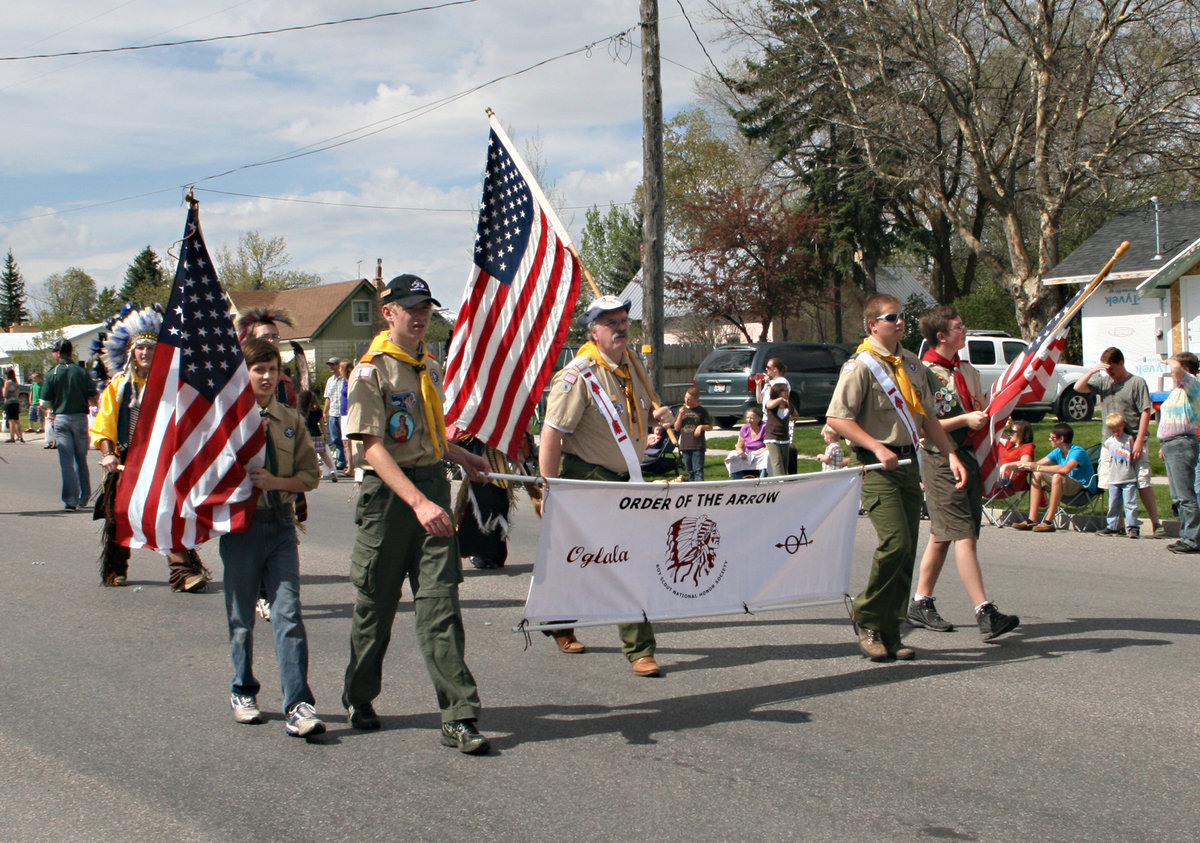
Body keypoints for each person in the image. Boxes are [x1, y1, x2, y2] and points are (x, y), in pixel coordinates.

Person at [341, 273, 493, 754]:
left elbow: (422, 433)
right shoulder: (372, 370)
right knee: (375, 609)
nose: (421, 315)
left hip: (428, 486)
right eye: (410, 307)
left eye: (426, 307)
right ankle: (359, 695)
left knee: (441, 607)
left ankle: (459, 714)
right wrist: (419, 502)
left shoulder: (425, 363)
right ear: (388, 312)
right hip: (391, 501)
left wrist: (458, 454)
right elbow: (372, 449)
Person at [825, 294, 967, 662]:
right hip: (878, 468)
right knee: (895, 545)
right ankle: (868, 616)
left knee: (906, 554)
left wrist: (951, 455)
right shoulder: (860, 366)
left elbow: (928, 418)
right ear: (873, 324)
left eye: (903, 316)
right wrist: (877, 446)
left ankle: (890, 630)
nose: (900, 322)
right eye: (892, 317)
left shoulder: (912, 365)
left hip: (910, 465)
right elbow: (837, 419)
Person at [538, 294, 675, 675]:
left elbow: (634, 420)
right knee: (622, 560)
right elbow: (552, 434)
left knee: (602, 559)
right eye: (610, 323)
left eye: (624, 322)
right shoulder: (579, 375)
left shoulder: (631, 366)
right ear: (593, 332)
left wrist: (658, 418)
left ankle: (557, 619)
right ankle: (639, 649)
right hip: (588, 478)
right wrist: (549, 489)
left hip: (627, 478)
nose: (620, 329)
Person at [221, 337, 324, 737]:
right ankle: (242, 689)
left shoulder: (288, 420)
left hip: (279, 525)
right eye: (257, 370)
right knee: (241, 614)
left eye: (272, 369)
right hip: (241, 529)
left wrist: (275, 481)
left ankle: (298, 704)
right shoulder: (227, 420)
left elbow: (310, 477)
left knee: (287, 613)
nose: (266, 377)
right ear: (244, 374)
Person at [906, 306, 1020, 641]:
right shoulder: (925, 374)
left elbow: (983, 407)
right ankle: (985, 611)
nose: (964, 330)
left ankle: (920, 601)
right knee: (964, 534)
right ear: (941, 335)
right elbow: (924, 428)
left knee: (942, 535)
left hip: (968, 456)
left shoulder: (967, 371)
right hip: (942, 458)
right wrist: (964, 420)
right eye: (958, 327)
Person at [90, 305, 210, 591]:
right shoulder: (119, 386)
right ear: (131, 352)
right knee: (119, 514)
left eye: (150, 348)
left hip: (163, 461)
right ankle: (115, 568)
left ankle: (182, 573)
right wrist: (108, 452)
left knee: (166, 512)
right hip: (127, 460)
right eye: (140, 349)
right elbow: (104, 424)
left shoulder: (172, 386)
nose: (145, 353)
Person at [1074, 347, 1163, 536]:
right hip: (1110, 442)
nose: (1109, 373)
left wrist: (1139, 441)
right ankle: (1118, 524)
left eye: (1112, 368)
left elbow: (1146, 411)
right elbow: (1078, 387)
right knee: (1112, 483)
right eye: (1107, 369)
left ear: (1121, 363)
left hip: (1132, 440)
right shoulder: (1104, 382)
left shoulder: (1136, 383)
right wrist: (1092, 371)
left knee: (1142, 481)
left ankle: (1156, 523)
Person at [40, 339, 98, 510]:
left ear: (58, 353)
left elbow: (44, 402)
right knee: (81, 459)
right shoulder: (81, 372)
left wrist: (55, 405)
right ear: (71, 352)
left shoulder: (53, 373)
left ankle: (70, 499)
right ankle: (85, 495)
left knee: (66, 461)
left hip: (62, 418)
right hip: (80, 417)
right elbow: (94, 397)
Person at [1011, 423, 1095, 531]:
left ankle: (1049, 521)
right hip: (1065, 486)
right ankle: (1032, 520)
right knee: (1037, 474)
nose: (1050, 439)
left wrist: (1036, 467)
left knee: (1057, 476)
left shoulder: (1077, 451)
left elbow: (1066, 469)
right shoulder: (1058, 451)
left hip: (1082, 489)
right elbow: (1038, 464)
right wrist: (1020, 466)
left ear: (1062, 439)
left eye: (1052, 437)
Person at [1156, 352, 1200, 554]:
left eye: (1175, 369)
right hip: (1172, 444)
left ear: (1186, 370)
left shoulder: (1192, 386)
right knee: (1178, 496)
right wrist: (1164, 444)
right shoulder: (1178, 391)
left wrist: (1170, 360)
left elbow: (1176, 369)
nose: (1172, 374)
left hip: (1182, 443)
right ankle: (1186, 535)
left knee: (1185, 494)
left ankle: (1192, 539)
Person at [235, 309, 298, 408]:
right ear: (252, 340)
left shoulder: (285, 382)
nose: (271, 341)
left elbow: (292, 413)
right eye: (265, 337)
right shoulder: (238, 376)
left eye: (275, 336)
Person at [1098, 412, 1139, 538]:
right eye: (1113, 430)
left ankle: (1132, 527)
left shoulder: (1129, 439)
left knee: (1130, 503)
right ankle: (1112, 526)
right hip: (1114, 479)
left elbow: (1134, 455)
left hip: (1128, 477)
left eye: (1118, 429)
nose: (1116, 432)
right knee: (1113, 504)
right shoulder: (1109, 442)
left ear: (1123, 426)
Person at [755, 358, 791, 476]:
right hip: (767, 419)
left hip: (776, 420)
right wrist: (759, 386)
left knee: (778, 459)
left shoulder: (781, 381)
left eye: (768, 368)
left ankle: (778, 479)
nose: (766, 370)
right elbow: (760, 400)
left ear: (775, 369)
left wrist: (768, 384)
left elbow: (774, 398)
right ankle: (770, 477)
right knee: (773, 457)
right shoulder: (770, 383)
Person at [674, 386, 712, 481]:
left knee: (698, 470)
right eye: (685, 398)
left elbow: (710, 427)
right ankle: (691, 490)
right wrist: (680, 416)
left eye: (689, 399)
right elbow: (676, 428)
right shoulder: (681, 410)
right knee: (689, 471)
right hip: (685, 445)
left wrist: (701, 427)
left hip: (697, 445)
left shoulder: (701, 411)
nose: (687, 401)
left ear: (696, 400)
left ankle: (699, 490)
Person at [298, 389, 338, 482]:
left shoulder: (303, 411)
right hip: (317, 435)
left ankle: (315, 473)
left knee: (311, 456)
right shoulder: (318, 411)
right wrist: (325, 435)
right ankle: (332, 470)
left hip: (307, 436)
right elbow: (322, 425)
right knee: (324, 455)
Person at [725, 406, 769, 478]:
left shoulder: (764, 427)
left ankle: (762, 481)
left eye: (752, 418)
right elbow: (739, 446)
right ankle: (738, 481)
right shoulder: (744, 428)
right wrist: (741, 453)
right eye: (747, 418)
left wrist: (758, 453)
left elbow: (767, 447)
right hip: (747, 454)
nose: (749, 420)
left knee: (767, 455)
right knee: (733, 455)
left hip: (760, 453)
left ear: (759, 418)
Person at [996, 419, 1035, 493]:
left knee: (977, 481)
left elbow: (1025, 463)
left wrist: (1006, 466)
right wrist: (1003, 426)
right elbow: (996, 434)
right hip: (1000, 477)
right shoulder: (1011, 445)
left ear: (1022, 433)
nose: (1009, 433)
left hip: (1010, 482)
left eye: (1012, 431)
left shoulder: (1027, 447)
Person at [323, 357, 346, 472]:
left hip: (343, 413)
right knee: (336, 438)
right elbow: (328, 397)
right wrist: (324, 412)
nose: (331, 367)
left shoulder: (345, 379)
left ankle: (344, 461)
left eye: (333, 365)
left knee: (345, 438)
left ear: (339, 365)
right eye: (330, 365)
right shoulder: (330, 380)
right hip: (333, 412)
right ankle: (340, 460)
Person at [339, 359, 355, 476]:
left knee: (349, 441)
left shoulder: (351, 380)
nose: (339, 370)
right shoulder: (344, 381)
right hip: (343, 413)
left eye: (340, 368)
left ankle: (352, 466)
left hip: (349, 412)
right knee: (346, 442)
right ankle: (350, 465)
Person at [4, 368, 25, 443]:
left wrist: (3, 389)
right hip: (16, 402)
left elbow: (5, 394)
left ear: (7, 375)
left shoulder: (8, 383)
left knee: (11, 420)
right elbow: (17, 394)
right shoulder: (16, 383)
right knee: (17, 420)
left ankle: (12, 437)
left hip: (9, 402)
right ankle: (21, 436)